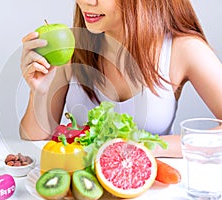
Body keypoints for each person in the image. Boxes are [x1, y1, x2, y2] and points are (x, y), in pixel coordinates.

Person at [19, 0, 222, 158]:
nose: (87, 1)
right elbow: (32, 140)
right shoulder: (70, 48)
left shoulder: (183, 49)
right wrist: (39, 92)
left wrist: (150, 146)